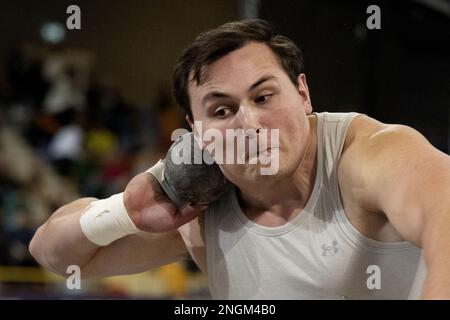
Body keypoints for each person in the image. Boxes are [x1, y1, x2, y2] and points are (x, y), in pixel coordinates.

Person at [29, 19, 450, 299]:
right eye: (222, 111)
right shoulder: (197, 203)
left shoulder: (368, 155)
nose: (249, 124)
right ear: (197, 130)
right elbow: (53, 254)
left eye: (264, 96)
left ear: (303, 94)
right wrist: (125, 210)